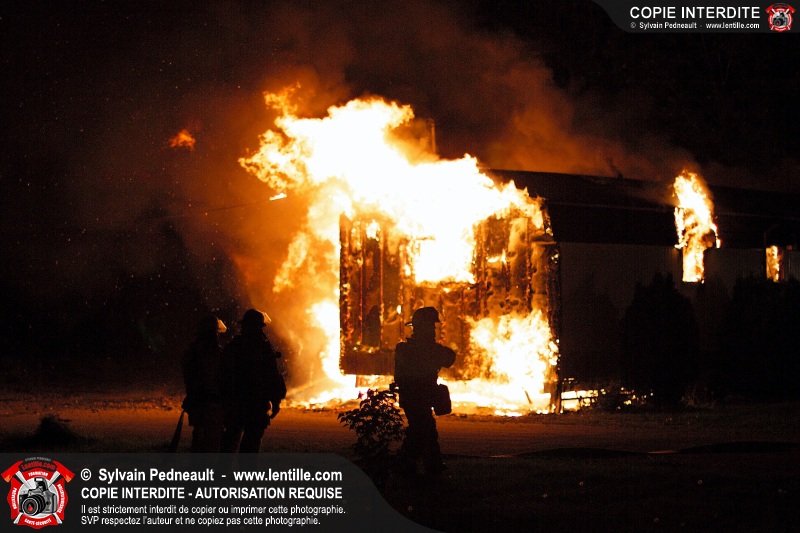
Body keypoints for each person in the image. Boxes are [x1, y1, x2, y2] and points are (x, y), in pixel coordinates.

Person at [393, 306, 456, 476]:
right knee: (422, 431)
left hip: (411, 398)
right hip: (418, 398)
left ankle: (427, 465)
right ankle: (412, 464)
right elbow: (449, 358)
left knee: (423, 430)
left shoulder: (405, 349)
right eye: (431, 326)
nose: (433, 330)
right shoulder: (425, 349)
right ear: (424, 327)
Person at [220, 309, 286, 453]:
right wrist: (276, 402)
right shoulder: (264, 348)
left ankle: (224, 468)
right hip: (256, 404)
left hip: (236, 403)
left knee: (229, 443)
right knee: (250, 445)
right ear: (259, 326)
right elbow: (273, 376)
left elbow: (222, 374)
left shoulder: (234, 346)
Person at [182, 314, 227, 453]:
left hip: (197, 402)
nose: (217, 335)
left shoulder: (192, 351)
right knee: (211, 441)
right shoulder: (213, 353)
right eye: (216, 332)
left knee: (199, 437)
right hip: (210, 402)